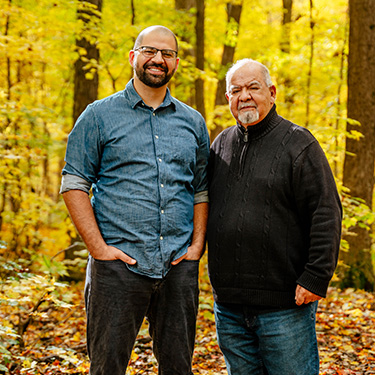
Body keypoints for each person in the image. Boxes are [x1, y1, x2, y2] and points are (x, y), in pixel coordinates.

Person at [60, 25, 210, 375]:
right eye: (149, 51)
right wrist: (99, 249)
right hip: (117, 268)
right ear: (133, 57)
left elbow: (201, 189)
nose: (158, 59)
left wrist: (197, 246)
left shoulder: (193, 122)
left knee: (178, 368)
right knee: (107, 367)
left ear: (175, 63)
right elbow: (74, 183)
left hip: (178, 266)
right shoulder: (98, 116)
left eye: (167, 54)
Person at [207, 58, 342, 375]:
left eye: (253, 88)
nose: (244, 96)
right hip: (229, 307)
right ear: (228, 99)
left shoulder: (299, 143)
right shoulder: (220, 145)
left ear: (272, 92)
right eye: (236, 90)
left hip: (285, 305)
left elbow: (326, 211)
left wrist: (315, 276)